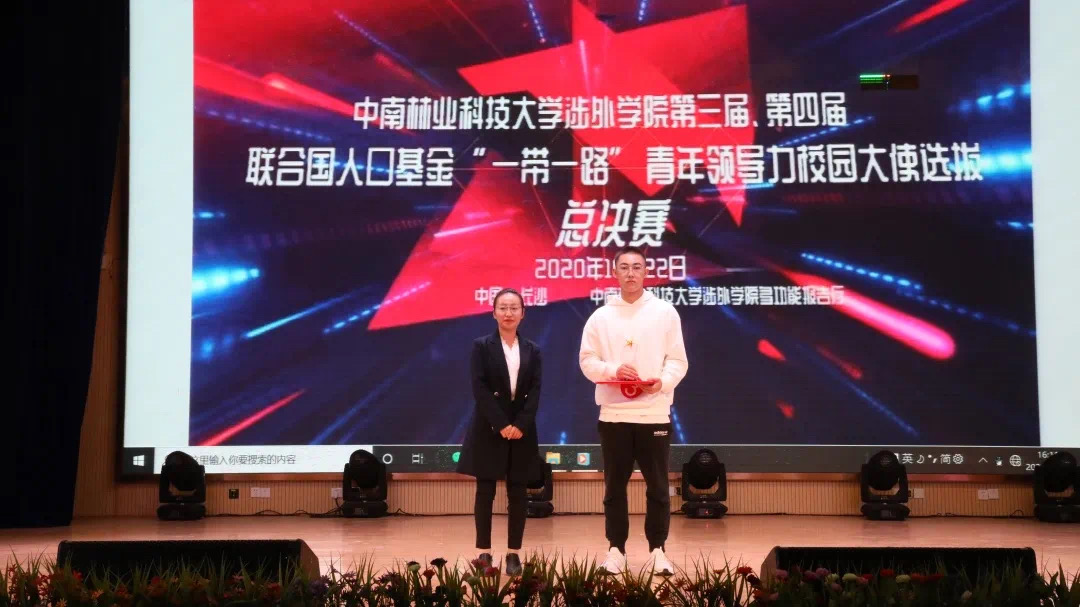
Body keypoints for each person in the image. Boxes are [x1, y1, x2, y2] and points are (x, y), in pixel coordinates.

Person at [579, 245, 688, 576]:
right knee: (614, 487)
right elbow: (587, 361)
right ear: (614, 273)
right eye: (624, 267)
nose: (630, 273)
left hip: (653, 414)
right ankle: (616, 549)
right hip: (614, 415)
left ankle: (658, 550)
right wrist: (613, 370)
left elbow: (678, 361)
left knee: (658, 487)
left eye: (637, 267)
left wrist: (662, 383)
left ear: (646, 272)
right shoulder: (600, 317)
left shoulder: (665, 312)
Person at [456, 287, 543, 576]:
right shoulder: (481, 346)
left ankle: (513, 554)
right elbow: (479, 388)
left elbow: (535, 391)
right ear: (493, 312)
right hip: (489, 427)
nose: (508, 313)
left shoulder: (533, 349)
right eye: (503, 308)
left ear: (523, 313)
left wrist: (520, 425)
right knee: (485, 491)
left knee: (518, 494)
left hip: (521, 430)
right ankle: (484, 552)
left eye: (514, 308)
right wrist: (501, 424)